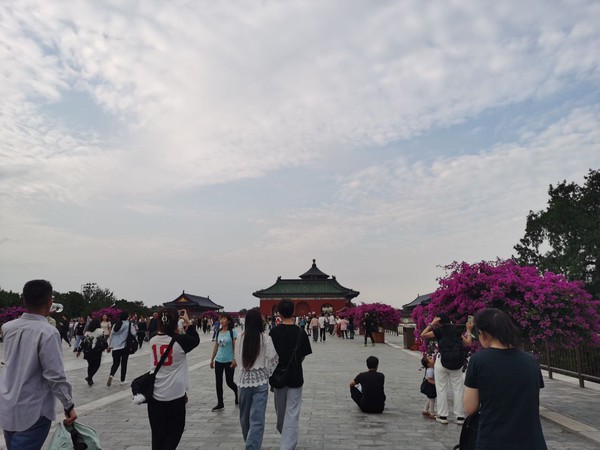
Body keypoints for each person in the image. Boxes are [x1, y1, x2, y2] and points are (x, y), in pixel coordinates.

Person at [0, 280, 77, 449]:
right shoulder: (48, 332)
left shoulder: (8, 328)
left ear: (24, 300)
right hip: (33, 409)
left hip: (8, 405)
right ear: (49, 302)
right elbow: (54, 375)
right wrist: (68, 405)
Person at [464, 308, 547, 450]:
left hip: (493, 440)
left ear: (483, 334)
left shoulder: (478, 360)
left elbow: (470, 407)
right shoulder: (531, 361)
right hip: (532, 442)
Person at [147, 307, 199, 450]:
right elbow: (195, 339)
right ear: (176, 322)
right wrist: (188, 321)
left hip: (155, 394)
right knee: (175, 430)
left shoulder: (152, 338)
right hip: (175, 394)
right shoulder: (181, 341)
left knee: (157, 434)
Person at [269, 300, 312, 450]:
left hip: (278, 377)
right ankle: (287, 440)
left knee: (280, 410)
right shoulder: (300, 332)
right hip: (295, 376)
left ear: (279, 313)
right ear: (293, 312)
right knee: (292, 412)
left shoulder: (274, 332)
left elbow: (270, 356)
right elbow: (303, 356)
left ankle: (286, 440)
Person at [235, 309, 279, 449]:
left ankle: (249, 443)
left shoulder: (240, 338)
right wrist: (267, 372)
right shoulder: (265, 338)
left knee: (244, 417)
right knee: (257, 419)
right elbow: (274, 359)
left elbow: (238, 358)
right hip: (260, 380)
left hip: (244, 380)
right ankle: (252, 445)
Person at [421, 312, 473, 425]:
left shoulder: (438, 330)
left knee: (441, 389)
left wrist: (431, 324)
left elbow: (423, 335)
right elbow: (468, 343)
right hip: (457, 362)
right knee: (458, 390)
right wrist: (469, 330)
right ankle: (460, 417)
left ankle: (443, 416)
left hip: (442, 361)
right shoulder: (456, 330)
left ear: (438, 321)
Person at [210, 314, 239, 411]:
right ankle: (220, 403)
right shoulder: (218, 332)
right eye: (221, 319)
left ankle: (237, 393)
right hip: (219, 360)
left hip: (229, 361)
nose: (221, 320)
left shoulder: (232, 332)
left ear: (228, 321)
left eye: (224, 319)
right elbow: (216, 346)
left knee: (229, 382)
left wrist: (234, 359)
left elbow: (235, 347)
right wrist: (212, 359)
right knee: (218, 382)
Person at [107, 310, 136, 386]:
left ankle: (111, 375)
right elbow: (134, 333)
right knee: (124, 363)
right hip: (125, 347)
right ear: (127, 317)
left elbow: (111, 336)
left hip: (115, 347)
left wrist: (109, 346)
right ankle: (122, 380)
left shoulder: (115, 325)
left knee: (115, 363)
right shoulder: (129, 324)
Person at [77, 318, 106, 386]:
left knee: (90, 365)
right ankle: (90, 377)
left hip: (88, 351)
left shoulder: (87, 332)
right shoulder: (101, 331)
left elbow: (83, 342)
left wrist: (79, 350)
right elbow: (103, 340)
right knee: (97, 365)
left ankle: (90, 380)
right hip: (97, 351)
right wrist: (106, 347)